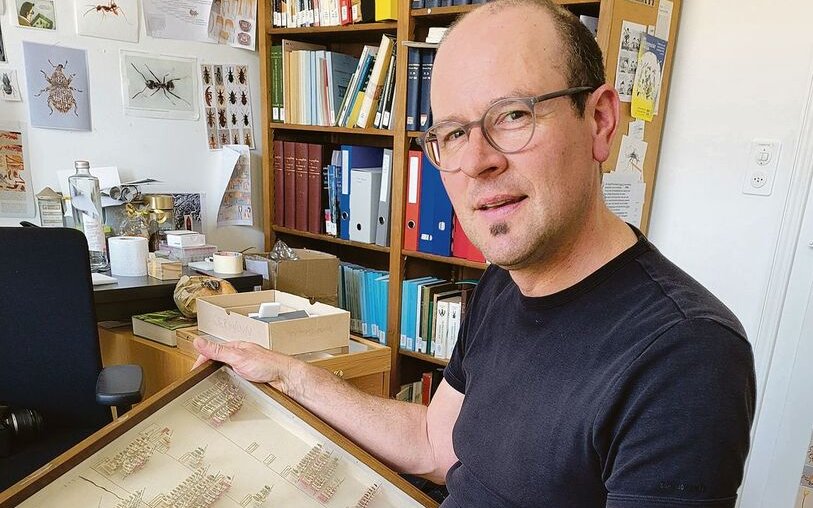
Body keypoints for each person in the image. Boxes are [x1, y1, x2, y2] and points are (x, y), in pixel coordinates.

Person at [194, 0, 756, 506]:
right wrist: (289, 376)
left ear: (600, 122)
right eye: (453, 133)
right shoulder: (503, 283)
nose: (477, 161)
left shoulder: (687, 356)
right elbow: (436, 444)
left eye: (513, 115)